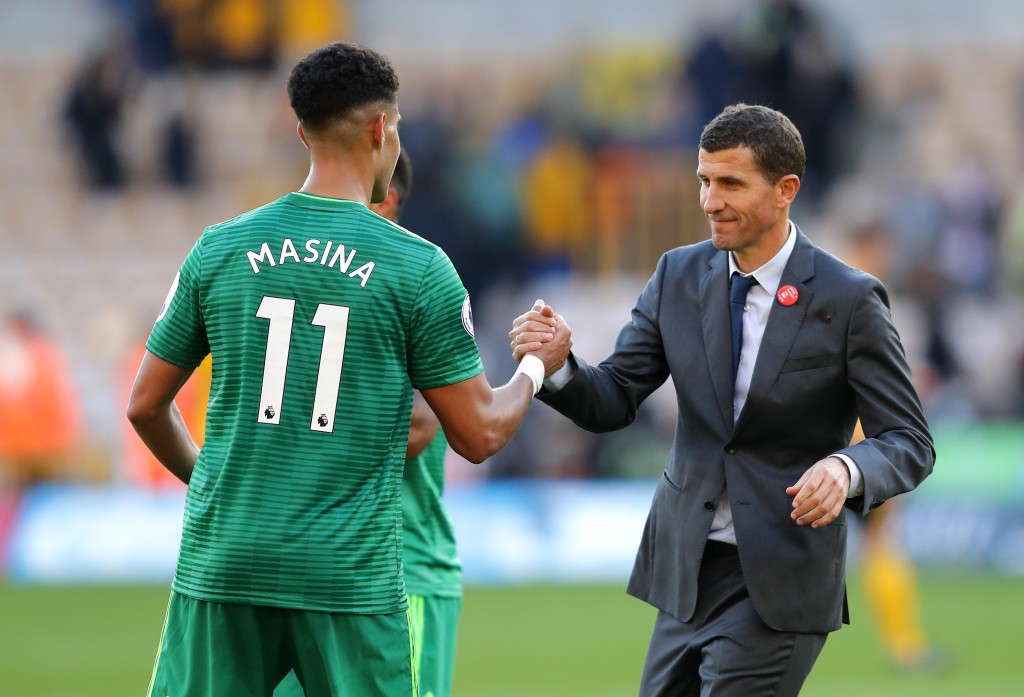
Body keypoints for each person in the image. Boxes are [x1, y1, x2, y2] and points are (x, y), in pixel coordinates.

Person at [128, 42, 569, 697]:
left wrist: (208, 482)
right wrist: (535, 364)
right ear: (381, 130)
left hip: (225, 558)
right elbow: (478, 434)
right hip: (346, 572)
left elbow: (144, 404)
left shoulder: (218, 248)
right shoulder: (417, 268)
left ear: (301, 131)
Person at [509, 103, 935, 696]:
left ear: (786, 189)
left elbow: (909, 441)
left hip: (781, 578)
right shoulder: (677, 275)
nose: (710, 201)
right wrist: (560, 369)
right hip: (685, 574)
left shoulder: (851, 298)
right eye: (705, 181)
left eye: (731, 183)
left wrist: (846, 468)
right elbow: (612, 400)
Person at [274, 152, 464, 697]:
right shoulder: (315, 286)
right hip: (313, 568)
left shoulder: (416, 281)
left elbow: (421, 426)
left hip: (403, 566)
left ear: (386, 199)